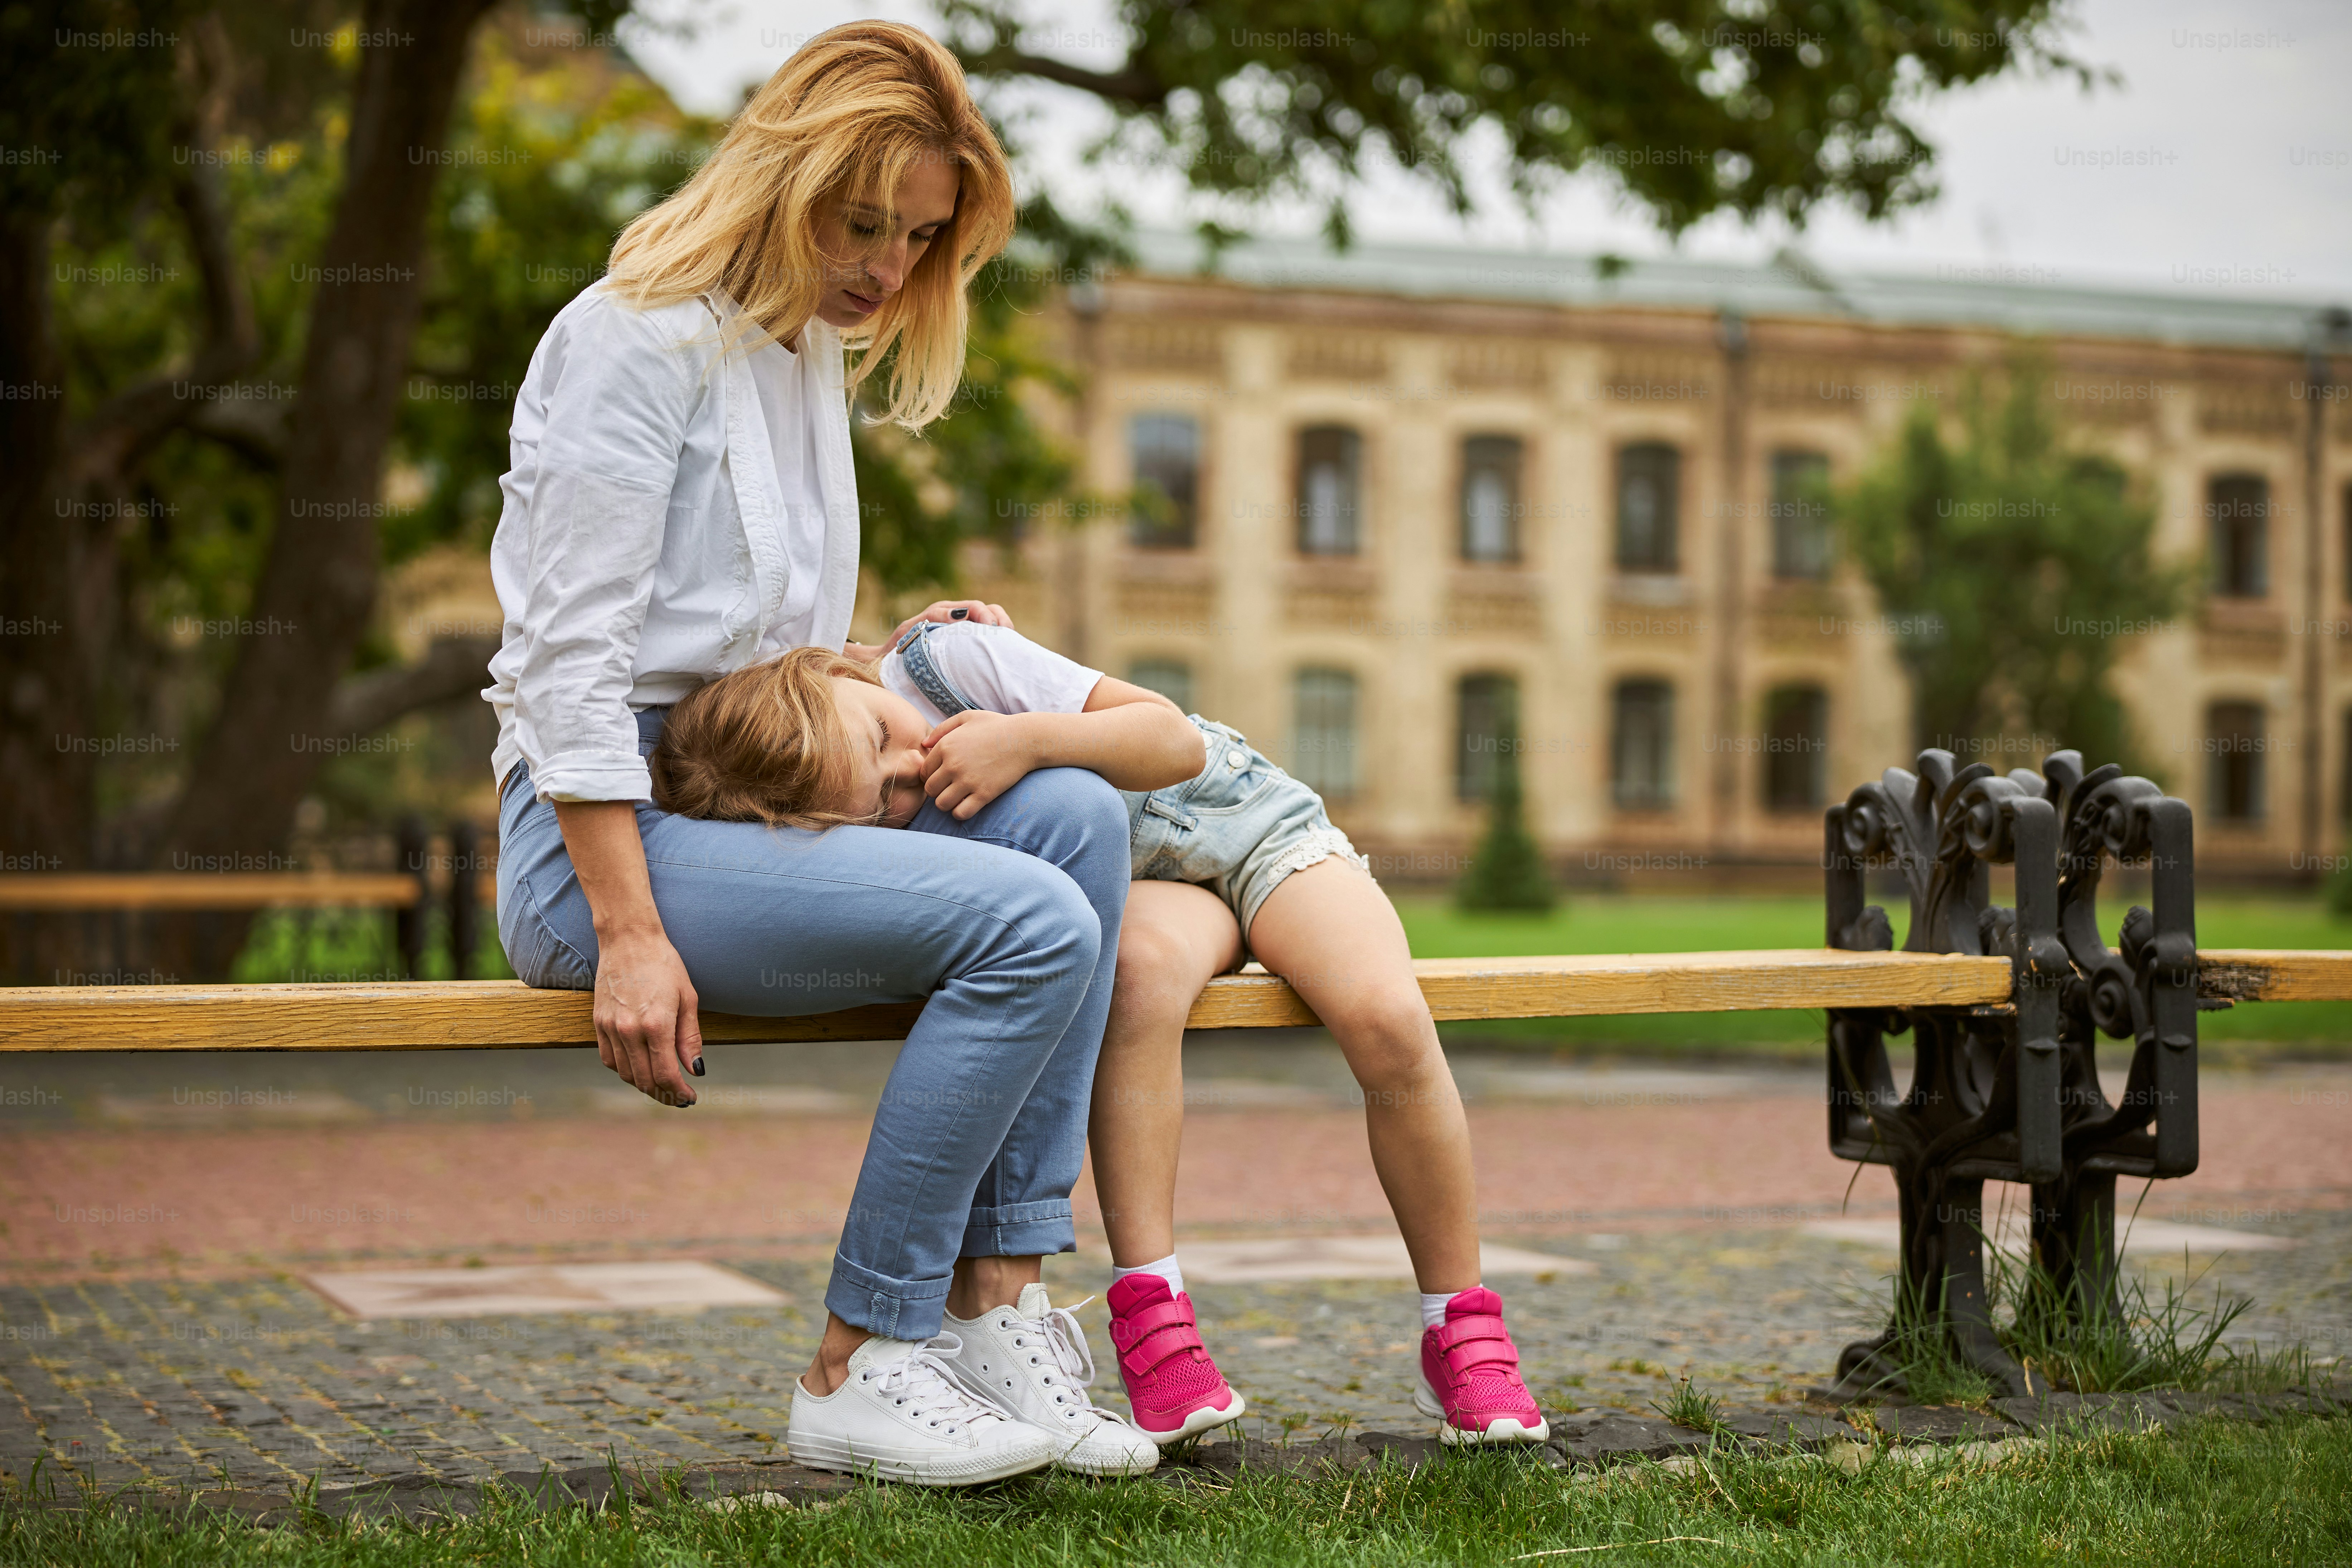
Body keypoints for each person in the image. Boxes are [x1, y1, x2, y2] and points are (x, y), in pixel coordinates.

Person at [485, 23, 1160, 1482]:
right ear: (784, 179)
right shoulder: (633, 336)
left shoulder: (803, 359)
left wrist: (887, 660)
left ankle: (997, 1305)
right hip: (600, 843)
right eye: (865, 225)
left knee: (1071, 823)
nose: (886, 270)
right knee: (1029, 922)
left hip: (765, 781)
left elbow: (752, 648)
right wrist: (626, 934)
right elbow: (569, 669)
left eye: (917, 238)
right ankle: (862, 1360)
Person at [650, 621, 1552, 1446]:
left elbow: (1174, 740)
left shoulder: (950, 663)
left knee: (1385, 1019)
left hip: (1243, 826)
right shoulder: (867, 754)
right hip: (1136, 877)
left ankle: (1460, 1323)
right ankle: (1152, 1310)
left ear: (839, 672)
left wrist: (1029, 737)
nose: (909, 771)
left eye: (883, 738)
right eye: (882, 798)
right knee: (1135, 981)